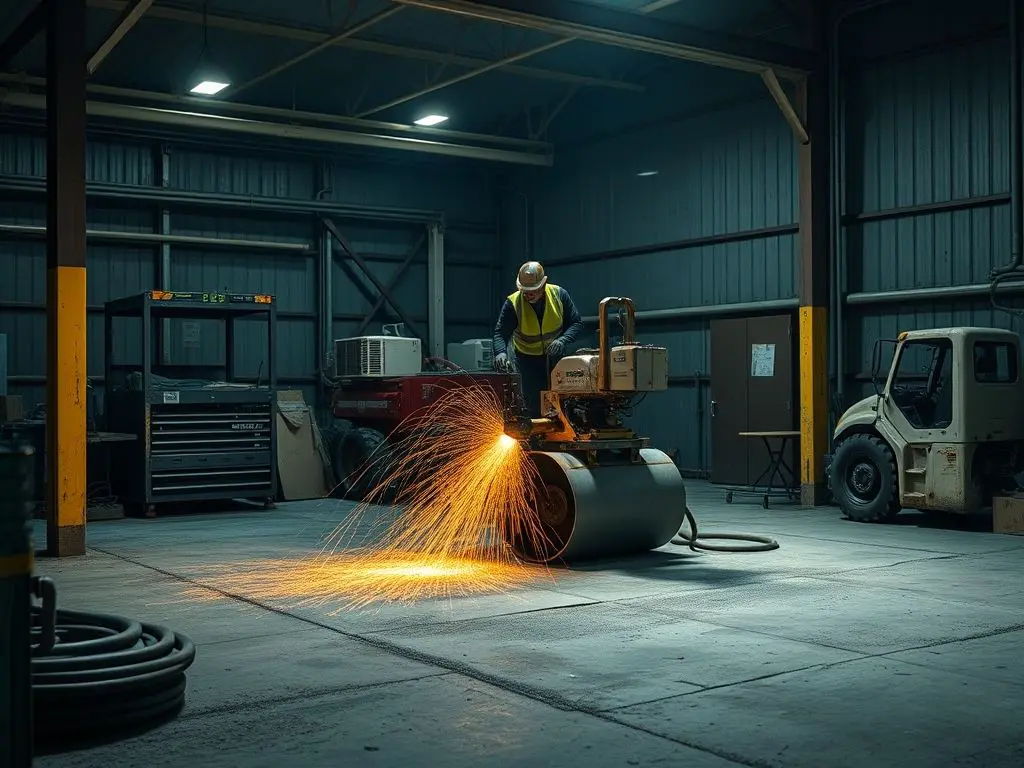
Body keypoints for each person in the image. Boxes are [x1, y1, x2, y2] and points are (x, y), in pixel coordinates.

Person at [492, 261, 585, 417]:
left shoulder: (559, 295)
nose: (528, 295)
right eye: (525, 291)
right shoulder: (513, 303)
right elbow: (500, 333)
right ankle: (537, 440)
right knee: (533, 406)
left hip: (555, 359)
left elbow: (576, 323)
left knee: (561, 404)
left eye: (533, 291)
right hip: (527, 362)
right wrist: (500, 352)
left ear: (543, 285)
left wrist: (562, 340)